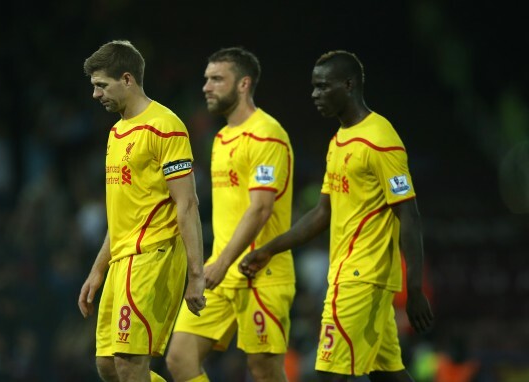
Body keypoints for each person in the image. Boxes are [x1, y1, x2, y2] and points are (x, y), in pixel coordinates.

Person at [239, 50, 434, 381]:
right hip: (354, 275)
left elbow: (409, 212)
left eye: (323, 87)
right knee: (388, 374)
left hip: (360, 278)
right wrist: (271, 248)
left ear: (349, 85)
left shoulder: (380, 139)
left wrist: (414, 288)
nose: (315, 95)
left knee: (330, 374)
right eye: (314, 87)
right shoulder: (338, 142)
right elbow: (321, 213)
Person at [77, 40, 206, 382]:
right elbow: (122, 214)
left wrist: (196, 275)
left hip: (154, 254)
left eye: (101, 85)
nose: (95, 95)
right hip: (122, 259)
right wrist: (97, 269)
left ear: (128, 79)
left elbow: (187, 204)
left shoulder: (166, 125)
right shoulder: (116, 133)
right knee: (107, 366)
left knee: (129, 362)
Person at [166, 47, 295, 382]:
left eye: (217, 79)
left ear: (243, 84)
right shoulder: (221, 138)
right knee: (180, 359)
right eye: (206, 79)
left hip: (260, 273)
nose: (207, 86)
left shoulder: (268, 133)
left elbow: (261, 208)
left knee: (263, 370)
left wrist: (221, 262)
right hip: (220, 273)